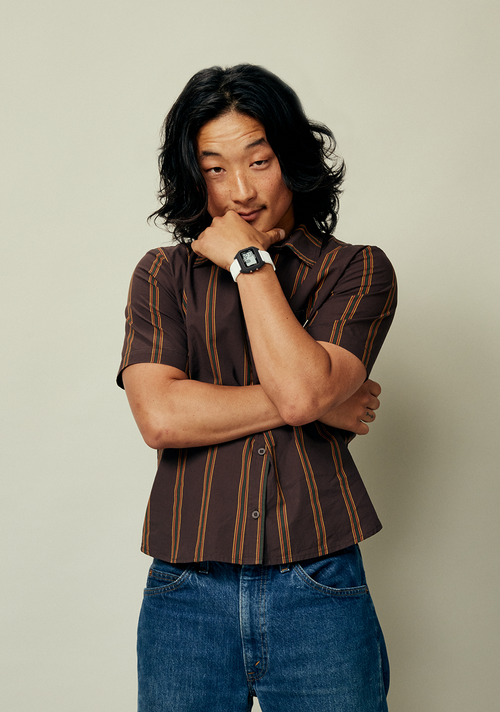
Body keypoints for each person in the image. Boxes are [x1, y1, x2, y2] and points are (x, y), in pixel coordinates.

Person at [117, 64, 397, 712]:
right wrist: (321, 403)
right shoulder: (162, 275)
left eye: (259, 161)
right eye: (215, 168)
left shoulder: (355, 270)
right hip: (185, 591)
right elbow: (161, 417)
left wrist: (250, 263)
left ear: (291, 159)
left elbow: (301, 394)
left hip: (319, 584)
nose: (240, 191)